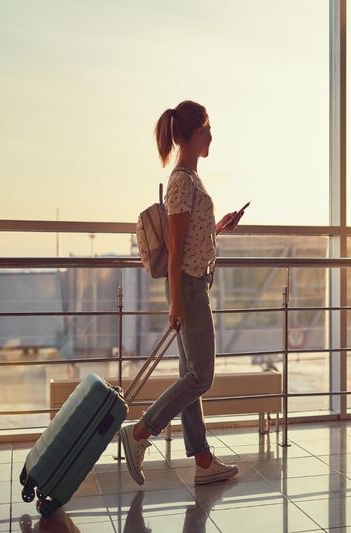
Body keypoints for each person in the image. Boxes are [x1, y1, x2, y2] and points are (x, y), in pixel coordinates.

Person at [120, 100, 243, 486]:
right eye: (206, 128)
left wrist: (218, 228)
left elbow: (189, 241)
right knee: (200, 378)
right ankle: (140, 433)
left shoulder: (190, 179)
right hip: (188, 289)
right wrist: (175, 301)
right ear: (189, 134)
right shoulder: (180, 183)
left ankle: (203, 461)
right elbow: (174, 252)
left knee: (190, 375)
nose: (211, 135)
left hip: (193, 284)